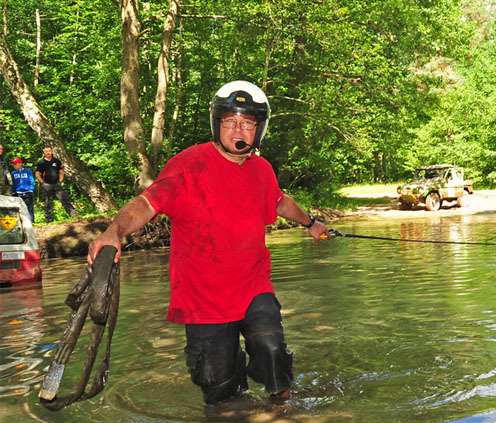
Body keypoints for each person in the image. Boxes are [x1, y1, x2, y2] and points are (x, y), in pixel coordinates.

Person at [88, 81, 330, 405]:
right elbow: (147, 203)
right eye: (230, 121)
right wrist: (113, 232)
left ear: (259, 129)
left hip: (252, 285)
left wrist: (311, 223)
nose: (237, 129)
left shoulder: (262, 170)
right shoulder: (189, 164)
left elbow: (279, 202)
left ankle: (282, 414)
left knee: (271, 350)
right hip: (203, 300)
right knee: (221, 393)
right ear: (218, 123)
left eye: (247, 122)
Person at [35, 146, 78, 222]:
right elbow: (37, 174)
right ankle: (49, 219)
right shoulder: (41, 163)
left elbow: (61, 171)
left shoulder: (56, 161)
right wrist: (42, 182)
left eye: (49, 151)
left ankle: (74, 216)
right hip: (46, 185)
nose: (48, 152)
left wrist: (60, 180)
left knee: (65, 199)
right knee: (47, 202)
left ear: (52, 152)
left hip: (56, 184)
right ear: (44, 153)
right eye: (46, 151)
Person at [9, 158, 35, 223]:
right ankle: (21, 222)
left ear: (20, 164)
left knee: (29, 207)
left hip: (27, 192)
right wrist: (13, 192)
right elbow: (12, 183)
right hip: (18, 193)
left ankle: (31, 221)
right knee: (19, 207)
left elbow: (32, 181)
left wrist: (31, 189)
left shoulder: (27, 171)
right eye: (13, 164)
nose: (14, 165)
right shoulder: (13, 173)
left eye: (15, 164)